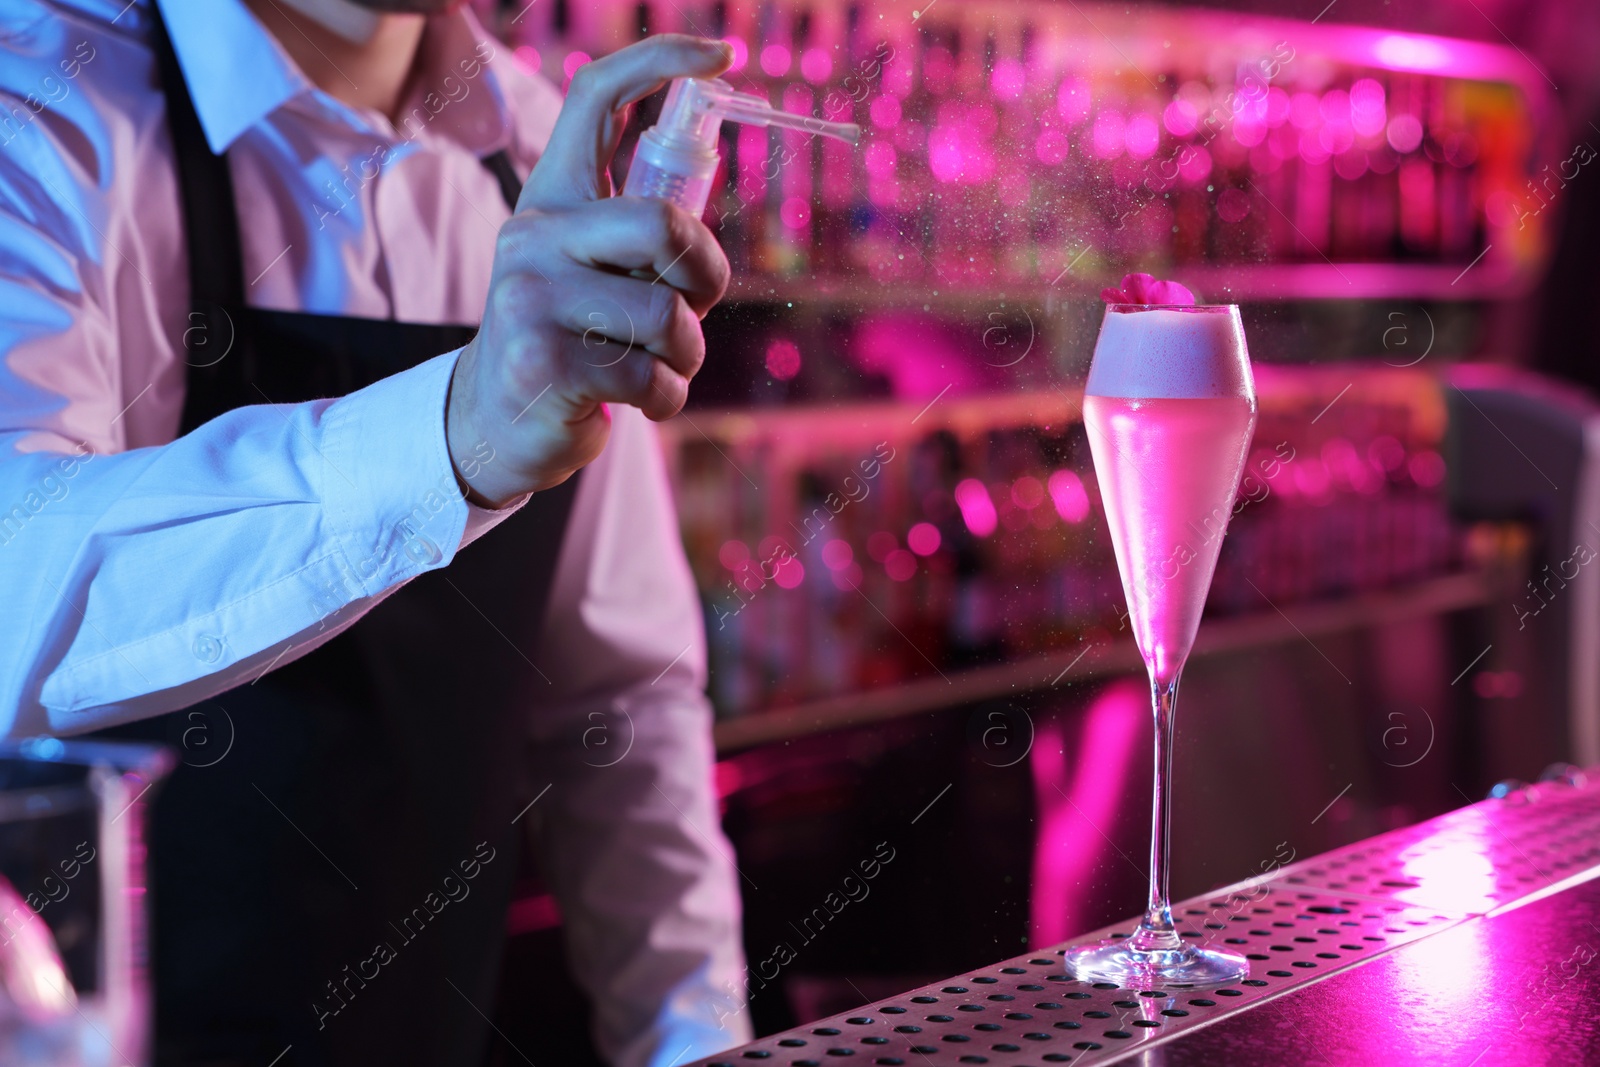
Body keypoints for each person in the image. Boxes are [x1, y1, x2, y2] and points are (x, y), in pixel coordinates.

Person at [0, 0, 749, 1064]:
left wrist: (695, 1040)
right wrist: (456, 434)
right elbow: (11, 591)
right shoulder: (40, 98)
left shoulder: (545, 147)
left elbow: (618, 700)